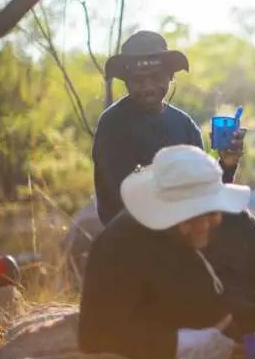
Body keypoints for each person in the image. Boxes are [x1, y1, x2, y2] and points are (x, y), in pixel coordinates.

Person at [78, 144, 255, 359]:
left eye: (210, 214)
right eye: (188, 218)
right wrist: (186, 344)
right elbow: (96, 332)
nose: (202, 227)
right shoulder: (121, 243)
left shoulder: (234, 218)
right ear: (162, 210)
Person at [93, 30, 245, 225]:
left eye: (156, 78)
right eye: (138, 80)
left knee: (241, 221)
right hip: (131, 239)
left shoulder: (184, 125)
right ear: (126, 82)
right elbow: (122, 196)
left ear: (171, 76)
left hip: (183, 237)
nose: (147, 87)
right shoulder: (113, 124)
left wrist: (227, 165)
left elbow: (206, 198)